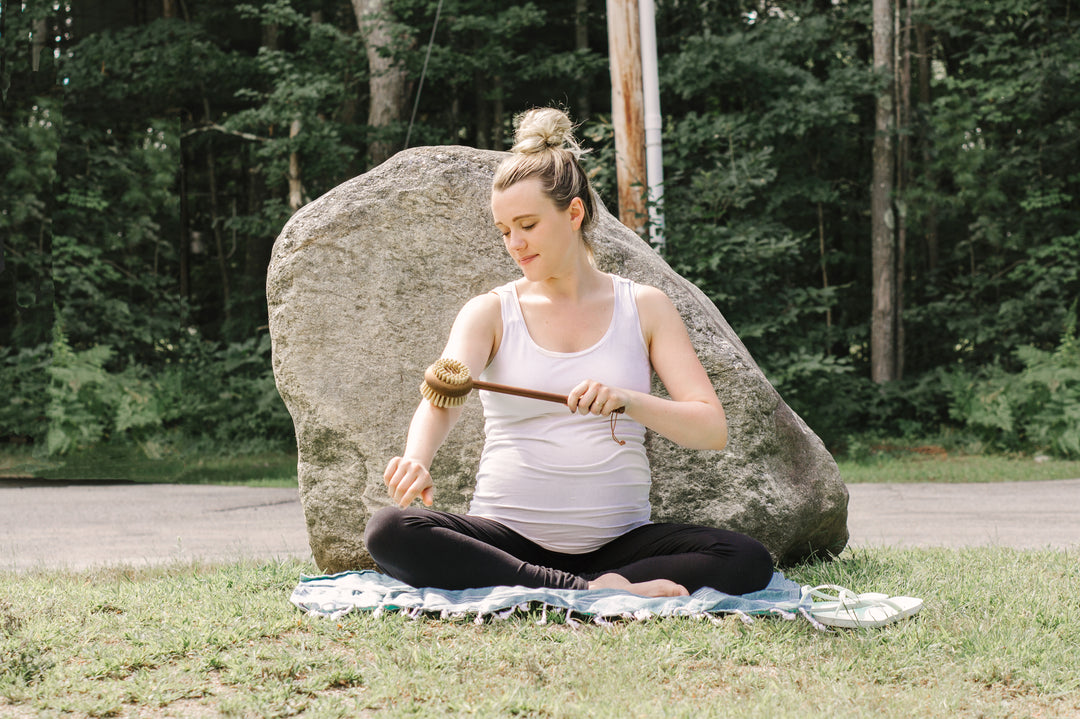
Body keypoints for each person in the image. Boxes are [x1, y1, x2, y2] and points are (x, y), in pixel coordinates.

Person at [364, 108, 774, 598]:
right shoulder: (490, 311)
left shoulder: (644, 307)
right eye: (504, 230)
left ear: (574, 213)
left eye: (528, 225)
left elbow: (710, 428)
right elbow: (444, 392)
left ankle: (579, 586)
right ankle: (589, 590)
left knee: (748, 559)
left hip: (621, 545)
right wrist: (417, 457)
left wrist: (628, 399)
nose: (514, 243)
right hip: (508, 541)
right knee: (390, 531)